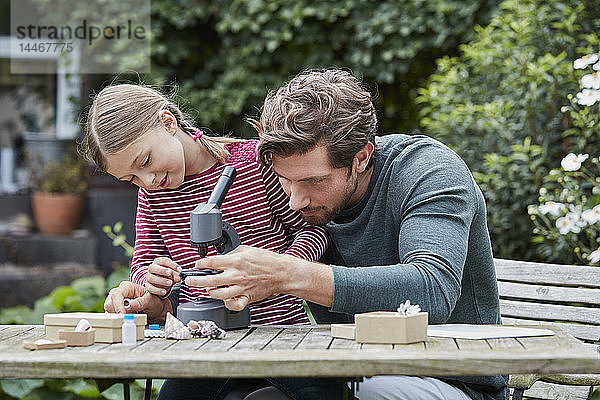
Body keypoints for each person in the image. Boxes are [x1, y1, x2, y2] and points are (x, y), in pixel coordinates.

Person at [184, 69, 509, 400]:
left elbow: (431, 289)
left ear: (361, 157)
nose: (296, 200)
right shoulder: (299, 195)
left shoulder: (429, 171)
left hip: (450, 381)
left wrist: (288, 273)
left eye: (314, 181)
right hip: (353, 367)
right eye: (285, 178)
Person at [84, 83, 331, 399]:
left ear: (168, 123)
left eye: (145, 161)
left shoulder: (255, 163)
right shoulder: (151, 197)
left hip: (281, 335)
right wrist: (151, 280)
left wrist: (282, 269)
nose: (147, 182)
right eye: (131, 178)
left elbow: (315, 232)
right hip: (201, 343)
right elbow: (143, 266)